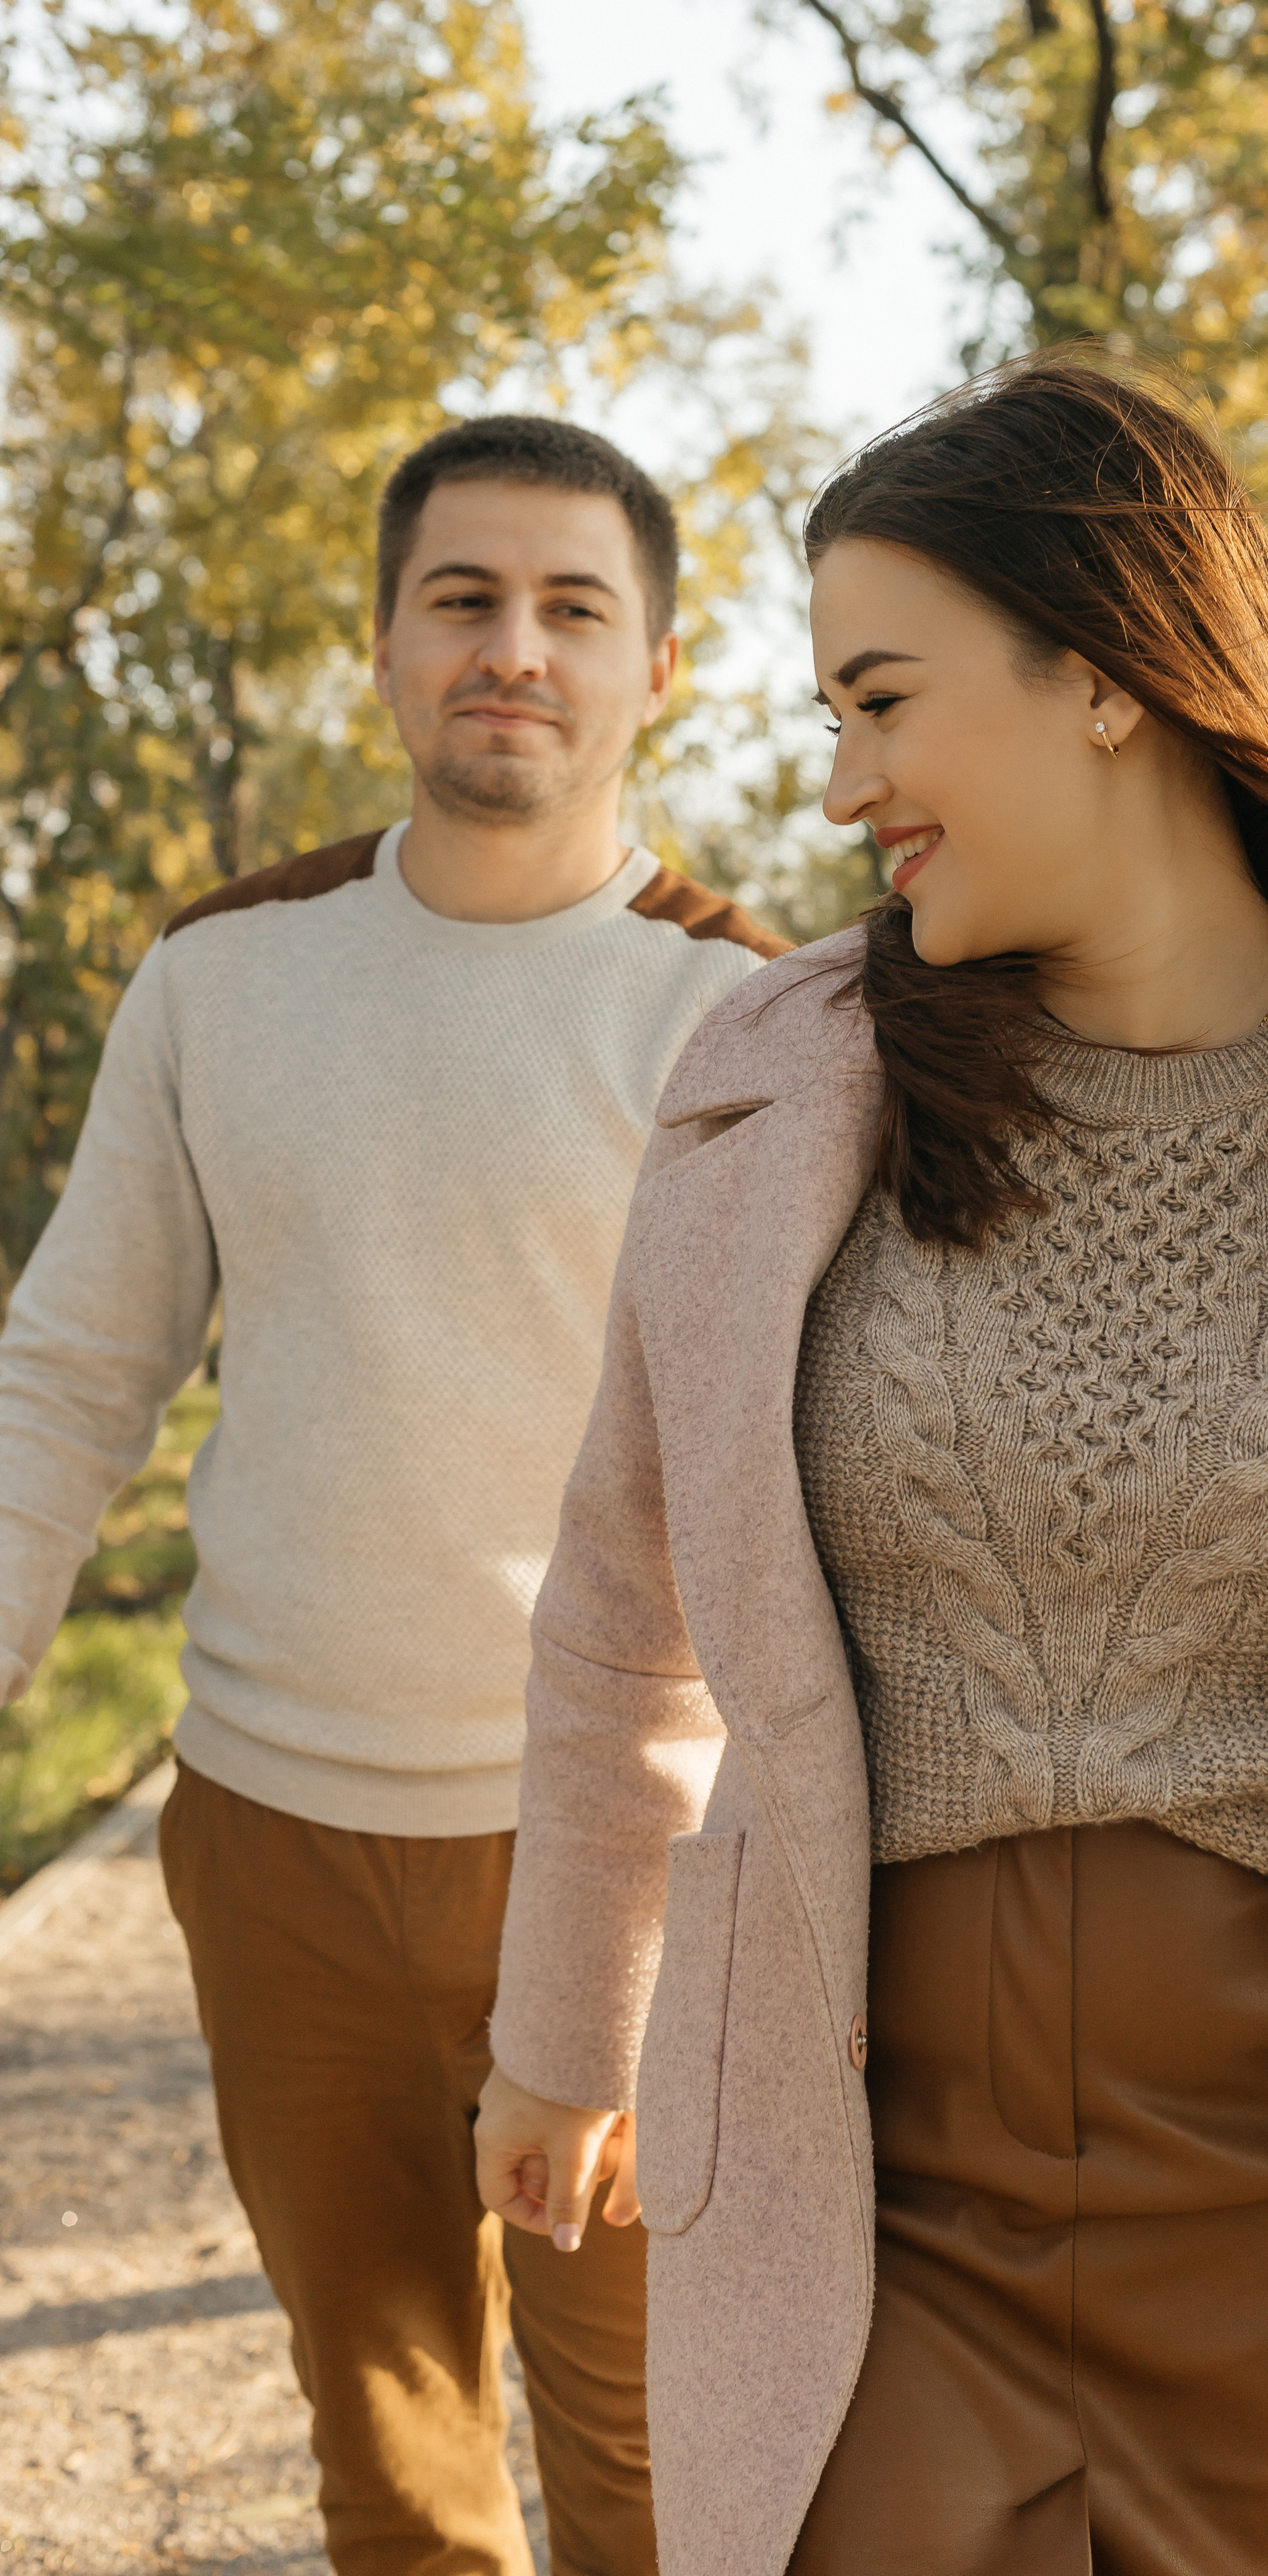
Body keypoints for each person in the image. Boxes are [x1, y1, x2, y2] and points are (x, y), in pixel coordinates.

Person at [474, 352, 1268, 2576]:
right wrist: (564, 2040)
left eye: (883, 700)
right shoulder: (780, 1094)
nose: (842, 783)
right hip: (874, 2225)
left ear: (1108, 673)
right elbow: (619, 1620)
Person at [0, 413, 786, 2576]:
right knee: (389, 2449)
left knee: (663, 2469)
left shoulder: (750, 1017)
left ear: (656, 668)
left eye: (571, 607)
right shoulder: (222, 976)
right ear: (383, 646)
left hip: (627, 1854)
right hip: (279, 1837)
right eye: (464, 598)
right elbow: (73, 1367)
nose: (512, 647)